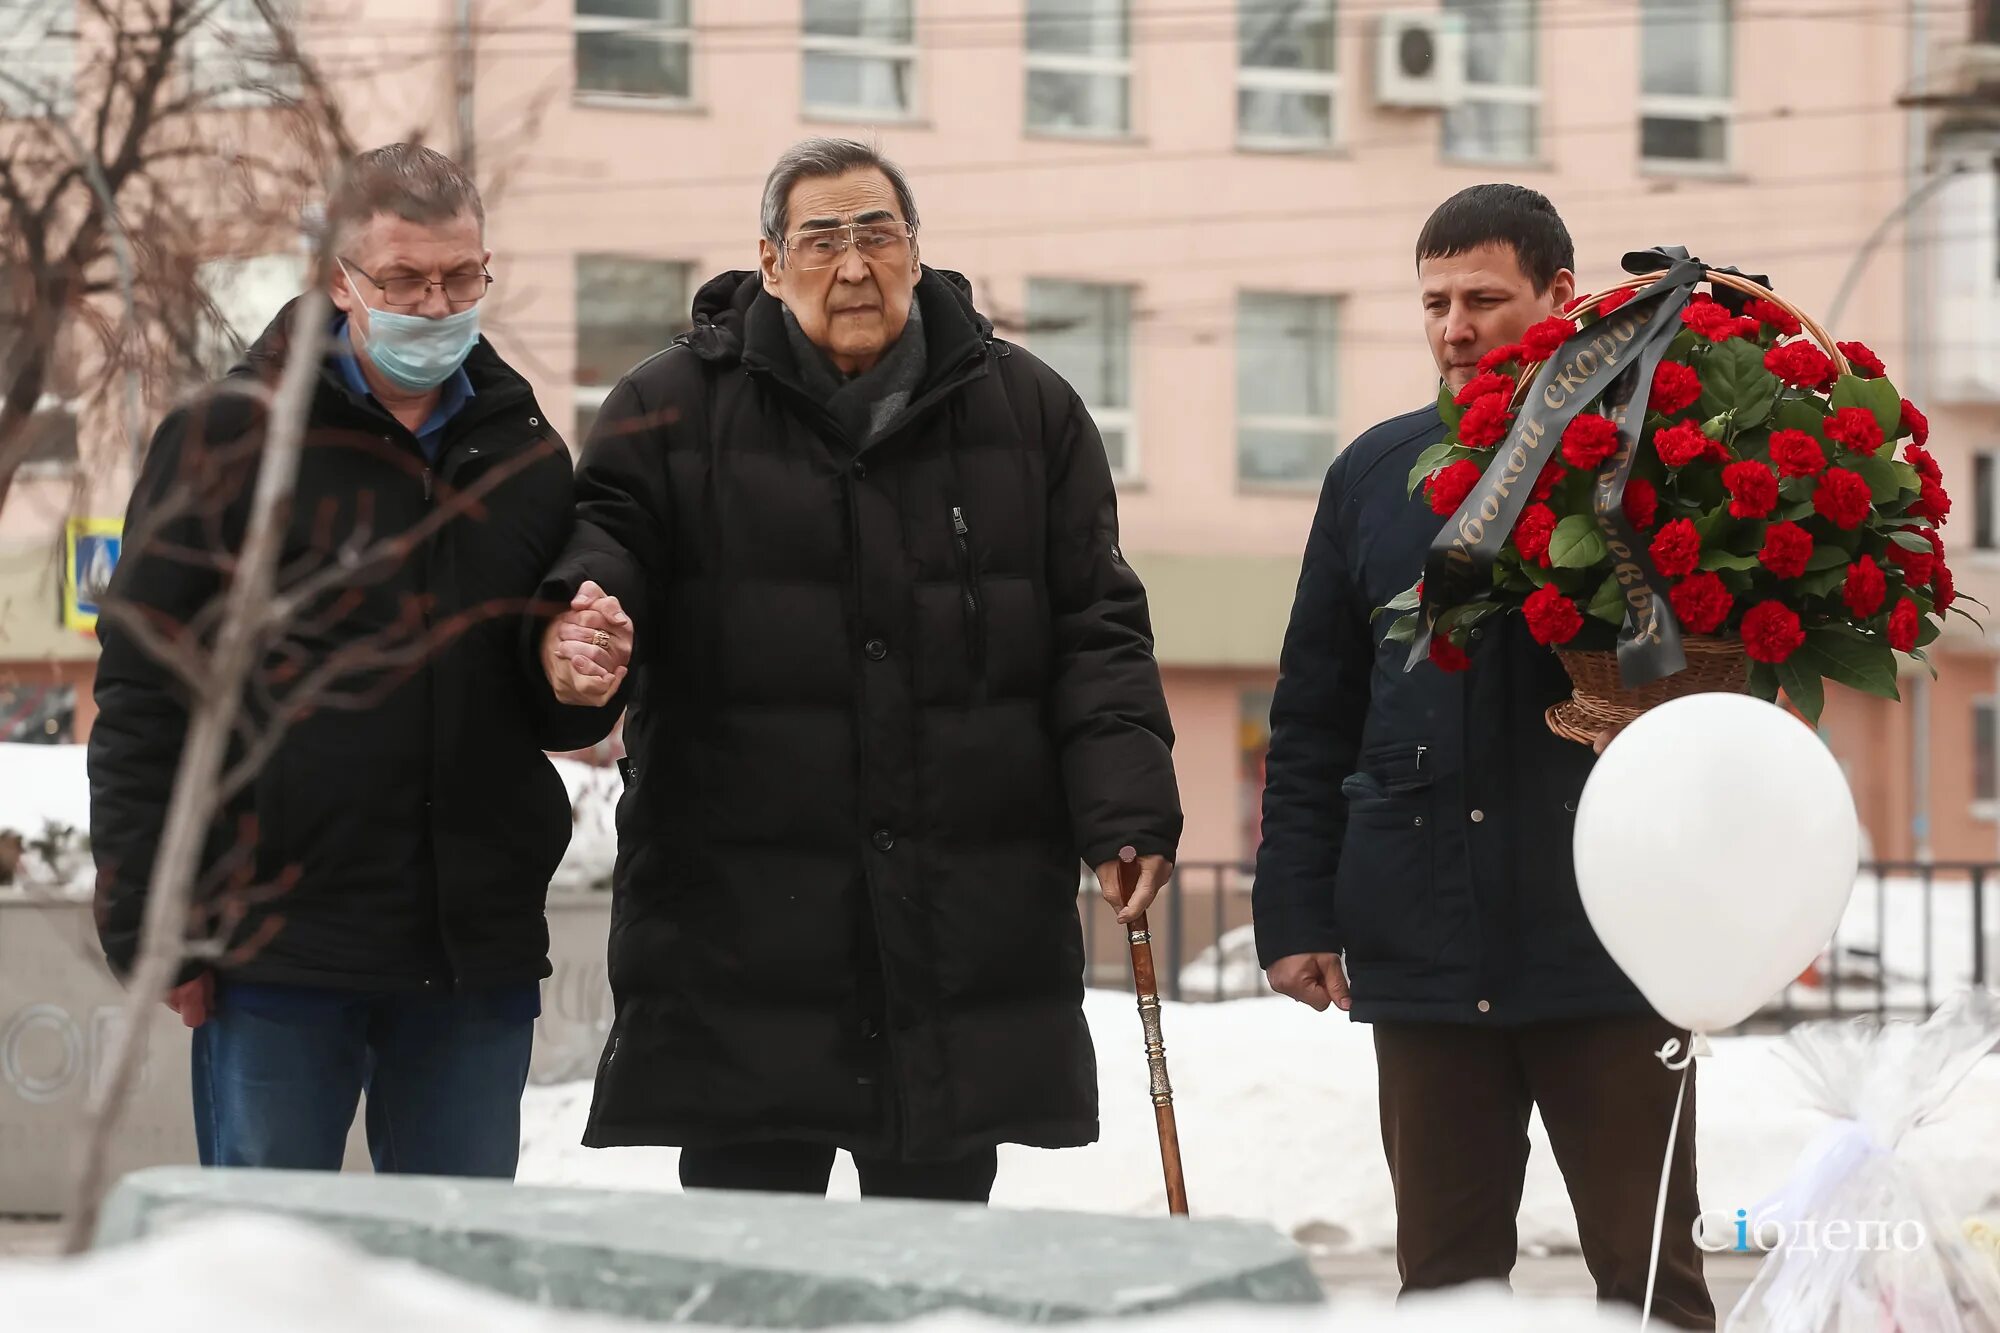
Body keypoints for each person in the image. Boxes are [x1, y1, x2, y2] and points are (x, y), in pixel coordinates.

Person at [533, 137, 1182, 1204]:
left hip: (953, 929)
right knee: (754, 1279)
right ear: (769, 260)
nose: (852, 266)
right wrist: (582, 631)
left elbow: (1096, 630)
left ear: (916, 252)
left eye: (877, 235)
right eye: (821, 240)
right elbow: (604, 552)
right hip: (742, 931)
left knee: (929, 1275)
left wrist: (1125, 810)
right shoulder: (666, 410)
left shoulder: (1028, 414)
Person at [89, 144, 618, 1178]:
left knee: (450, 1272)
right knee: (266, 1262)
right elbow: (145, 696)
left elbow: (545, 704)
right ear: (338, 278)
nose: (438, 303)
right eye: (406, 279)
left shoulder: (523, 454)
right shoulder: (226, 441)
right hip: (276, 951)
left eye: (462, 276)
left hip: (470, 956)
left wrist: (579, 670)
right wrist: (156, 923)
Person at [1251, 184, 1715, 1327]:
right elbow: (1314, 711)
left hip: (1608, 942)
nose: (1454, 326)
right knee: (1444, 1292)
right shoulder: (1373, 475)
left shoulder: (1643, 465)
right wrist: (1294, 909)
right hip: (1419, 942)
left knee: (1652, 1284)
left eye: (1482, 299)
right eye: (1434, 302)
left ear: (1560, 299)